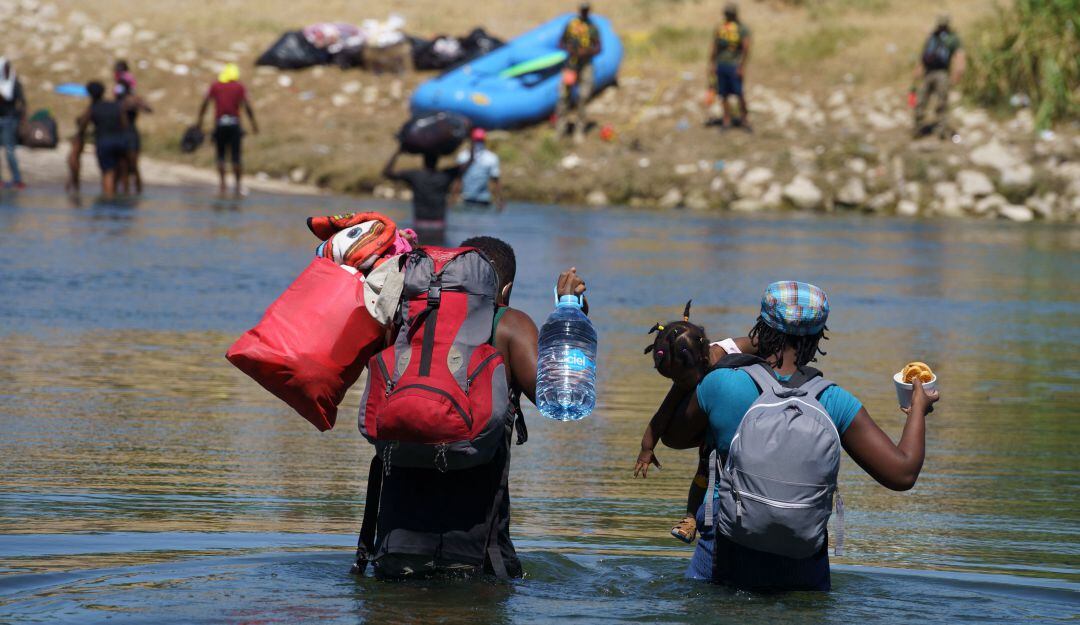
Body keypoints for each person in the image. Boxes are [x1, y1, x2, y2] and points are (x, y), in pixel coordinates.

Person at [656, 281, 940, 591]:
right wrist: (917, 409)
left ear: (761, 328)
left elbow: (671, 437)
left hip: (724, 556)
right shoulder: (833, 401)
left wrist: (696, 369)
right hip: (803, 566)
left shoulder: (721, 384)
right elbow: (903, 473)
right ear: (818, 338)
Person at [362, 236, 588, 579]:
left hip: (395, 541)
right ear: (505, 290)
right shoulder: (509, 325)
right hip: (476, 546)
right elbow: (562, 400)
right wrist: (570, 314)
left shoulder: (406, 321)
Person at [634, 301, 754, 544]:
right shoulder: (686, 374)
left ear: (702, 357)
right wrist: (647, 449)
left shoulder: (734, 349)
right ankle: (690, 518)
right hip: (712, 426)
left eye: (680, 378)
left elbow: (763, 345)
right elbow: (662, 415)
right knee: (704, 469)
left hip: (744, 418)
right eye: (673, 378)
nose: (678, 383)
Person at [197, 63, 258, 196]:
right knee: (236, 156)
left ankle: (222, 185)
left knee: (220, 155)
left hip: (220, 124)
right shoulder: (239, 87)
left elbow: (205, 103)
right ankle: (238, 186)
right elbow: (246, 106)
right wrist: (254, 124)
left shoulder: (215, 86)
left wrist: (199, 122)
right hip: (234, 124)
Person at [383, 148, 471, 238]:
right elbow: (469, 162)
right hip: (439, 226)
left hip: (420, 224)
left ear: (424, 161)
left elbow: (387, 172)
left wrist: (398, 152)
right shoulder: (444, 176)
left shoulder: (415, 176)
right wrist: (473, 144)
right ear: (437, 161)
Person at [69, 81, 129, 199]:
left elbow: (82, 125)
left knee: (108, 173)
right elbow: (125, 123)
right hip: (120, 141)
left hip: (104, 142)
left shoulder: (93, 108)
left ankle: (108, 200)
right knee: (122, 172)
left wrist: (81, 136)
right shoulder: (115, 105)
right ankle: (122, 200)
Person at [555, 2, 602, 143]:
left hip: (585, 64)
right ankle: (560, 129)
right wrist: (570, 49)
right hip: (571, 65)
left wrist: (586, 51)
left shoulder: (593, 27)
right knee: (563, 96)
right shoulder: (571, 25)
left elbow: (599, 47)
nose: (584, 12)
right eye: (582, 10)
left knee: (583, 96)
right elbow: (561, 42)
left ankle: (579, 130)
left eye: (586, 10)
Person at [913, 14, 965, 138]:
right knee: (921, 100)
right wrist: (918, 69)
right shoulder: (932, 36)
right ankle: (918, 127)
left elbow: (960, 56)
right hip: (928, 72)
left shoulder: (953, 38)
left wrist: (958, 72)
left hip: (942, 73)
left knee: (942, 102)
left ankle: (941, 130)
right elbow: (924, 54)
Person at [709, 3, 752, 131]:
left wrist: (741, 66)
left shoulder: (742, 29)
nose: (728, 16)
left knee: (739, 94)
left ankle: (744, 120)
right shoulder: (720, 27)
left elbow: (746, 48)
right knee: (723, 94)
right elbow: (714, 47)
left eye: (730, 14)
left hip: (734, 65)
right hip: (721, 64)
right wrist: (712, 64)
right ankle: (726, 120)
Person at [113, 61, 152, 194]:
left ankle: (134, 192)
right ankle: (126, 193)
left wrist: (136, 102)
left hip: (129, 134)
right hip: (123, 134)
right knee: (123, 167)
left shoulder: (131, 100)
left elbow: (148, 109)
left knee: (132, 166)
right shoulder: (119, 101)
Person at [452, 128, 504, 210]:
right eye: (477, 141)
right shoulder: (463, 156)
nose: (478, 143)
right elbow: (458, 180)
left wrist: (500, 200)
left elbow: (495, 181)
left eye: (480, 141)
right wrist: (453, 199)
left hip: (482, 200)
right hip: (468, 200)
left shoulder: (491, 157)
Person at [0, 57, 26, 190]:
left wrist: (22, 119)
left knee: (9, 150)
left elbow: (21, 101)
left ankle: (17, 179)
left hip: (9, 120)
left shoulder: (14, 83)